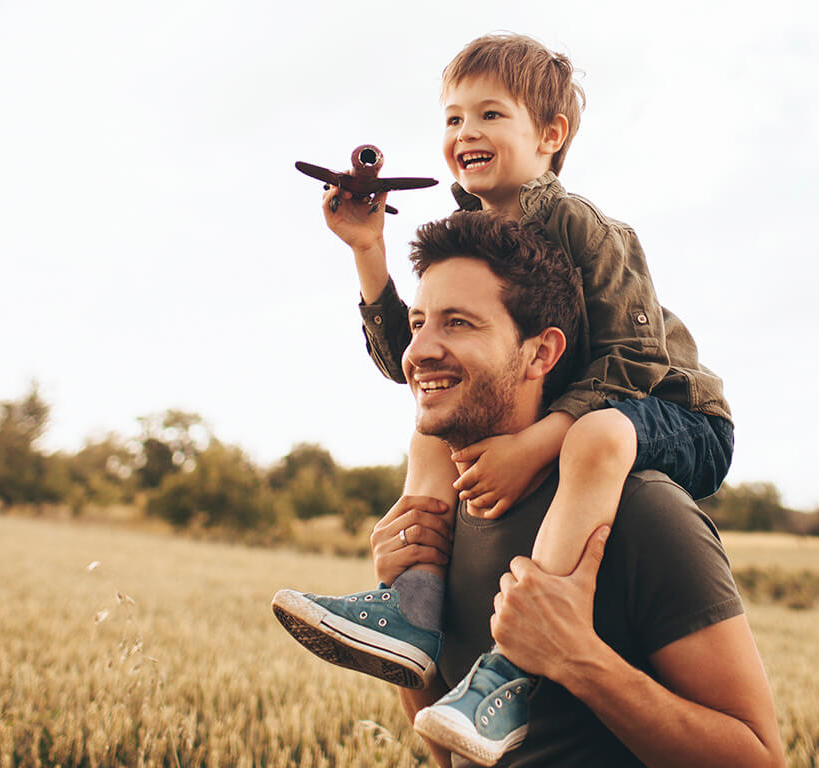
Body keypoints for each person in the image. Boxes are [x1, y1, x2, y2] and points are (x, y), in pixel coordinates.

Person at [273, 32, 733, 764]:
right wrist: (368, 253)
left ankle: (515, 666)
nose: (465, 133)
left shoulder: (582, 226)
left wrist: (536, 443)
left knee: (599, 436)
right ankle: (414, 608)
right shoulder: (476, 238)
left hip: (671, 413)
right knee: (434, 413)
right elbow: (413, 364)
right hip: (580, 412)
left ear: (551, 136)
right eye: (453, 119)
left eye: (489, 115)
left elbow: (635, 360)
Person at [284, 212, 784, 767]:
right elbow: (450, 751)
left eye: (458, 324)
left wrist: (578, 659)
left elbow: (759, 759)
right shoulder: (448, 514)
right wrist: (406, 605)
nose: (418, 350)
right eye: (419, 321)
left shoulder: (642, 511)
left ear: (541, 353)